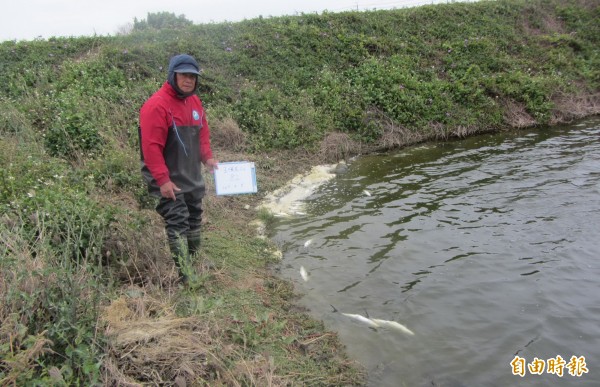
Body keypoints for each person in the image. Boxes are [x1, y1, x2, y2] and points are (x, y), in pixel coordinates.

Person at [139, 54, 218, 283]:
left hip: (189, 171)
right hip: (165, 174)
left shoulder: (194, 102)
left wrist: (208, 159)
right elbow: (151, 148)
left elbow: (202, 134)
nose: (188, 80)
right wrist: (163, 180)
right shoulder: (156, 105)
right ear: (173, 75)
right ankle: (186, 275)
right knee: (177, 219)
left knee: (194, 215)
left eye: (192, 76)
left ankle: (193, 260)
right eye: (184, 75)